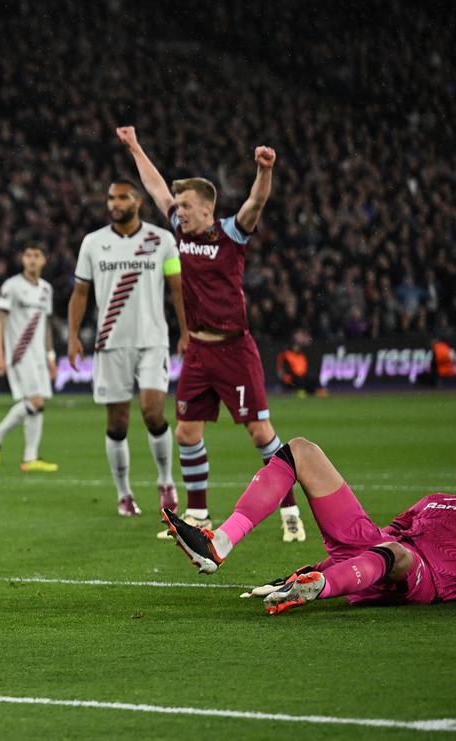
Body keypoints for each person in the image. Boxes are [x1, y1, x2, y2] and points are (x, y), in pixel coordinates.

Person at [116, 125, 304, 543]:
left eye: (184, 205)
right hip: (199, 350)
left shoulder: (231, 233)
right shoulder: (181, 232)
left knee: (259, 433)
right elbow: (156, 186)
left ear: (206, 208)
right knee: (186, 431)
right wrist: (134, 146)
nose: (177, 210)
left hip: (235, 350)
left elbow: (256, 202)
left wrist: (264, 169)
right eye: (177, 206)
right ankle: (198, 513)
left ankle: (290, 509)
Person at [162, 428, 456, 614]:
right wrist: (305, 569)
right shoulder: (435, 501)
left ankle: (320, 587)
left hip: (426, 578)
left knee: (394, 552)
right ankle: (220, 543)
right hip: (384, 556)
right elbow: (380, 540)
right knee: (301, 450)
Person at [68, 179, 187, 517]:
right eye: (110, 197)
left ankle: (165, 481)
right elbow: (80, 292)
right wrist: (73, 335)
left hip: (153, 340)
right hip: (110, 342)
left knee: (153, 411)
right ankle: (124, 493)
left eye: (122, 197)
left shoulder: (162, 241)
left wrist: (185, 331)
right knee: (117, 422)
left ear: (138, 201)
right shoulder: (93, 243)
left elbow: (178, 289)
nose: (114, 203)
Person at [0, 243, 59, 473]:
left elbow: (45, 326)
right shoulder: (12, 286)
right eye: (28, 255)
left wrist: (51, 356)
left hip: (38, 355)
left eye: (37, 255)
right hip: (19, 353)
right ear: (22, 259)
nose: (32, 260)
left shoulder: (46, 289)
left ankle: (30, 458)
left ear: (44, 260)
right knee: (35, 402)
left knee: (39, 406)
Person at [276, 328, 325, 397]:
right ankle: (300, 391)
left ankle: (318, 390)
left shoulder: (301, 355)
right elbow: (283, 372)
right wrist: (285, 378)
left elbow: (304, 370)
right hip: (290, 380)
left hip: (300, 379)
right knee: (298, 379)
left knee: (311, 377)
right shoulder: (285, 354)